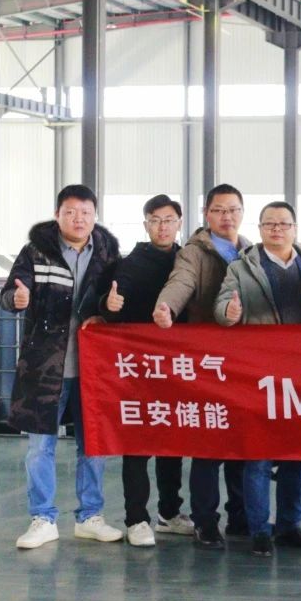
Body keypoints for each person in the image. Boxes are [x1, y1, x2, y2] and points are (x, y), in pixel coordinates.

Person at [4, 185, 123, 549]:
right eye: (70, 212)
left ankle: (90, 516)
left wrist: (110, 308)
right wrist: (17, 298)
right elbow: (9, 294)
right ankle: (43, 518)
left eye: (85, 212)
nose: (78, 219)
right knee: (41, 447)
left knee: (93, 446)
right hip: (45, 368)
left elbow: (118, 300)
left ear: (95, 216)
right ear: (58, 215)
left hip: (93, 369)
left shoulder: (108, 254)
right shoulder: (36, 252)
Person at [214, 201, 301, 558]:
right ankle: (259, 529)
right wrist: (229, 312)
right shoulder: (241, 267)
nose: (277, 229)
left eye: (284, 224)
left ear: (295, 229)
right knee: (258, 456)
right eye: (270, 224)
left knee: (296, 457)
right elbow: (221, 306)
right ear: (259, 229)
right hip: (258, 375)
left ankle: (289, 525)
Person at [154, 184, 252, 549]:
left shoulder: (251, 251)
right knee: (209, 444)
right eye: (219, 210)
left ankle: (241, 516)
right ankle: (206, 521)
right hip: (209, 363)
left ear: (242, 213)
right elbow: (180, 283)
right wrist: (167, 307)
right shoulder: (194, 253)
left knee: (243, 443)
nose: (226, 217)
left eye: (233, 209)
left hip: (245, 363)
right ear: (206, 214)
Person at [99, 194, 194, 547]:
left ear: (179, 223)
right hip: (139, 368)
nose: (162, 227)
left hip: (178, 366)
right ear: (146, 225)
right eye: (155, 220)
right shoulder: (130, 264)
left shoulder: (187, 261)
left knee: (172, 442)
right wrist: (109, 306)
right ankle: (136, 519)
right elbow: (108, 308)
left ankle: (169, 513)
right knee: (138, 444)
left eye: (169, 220)